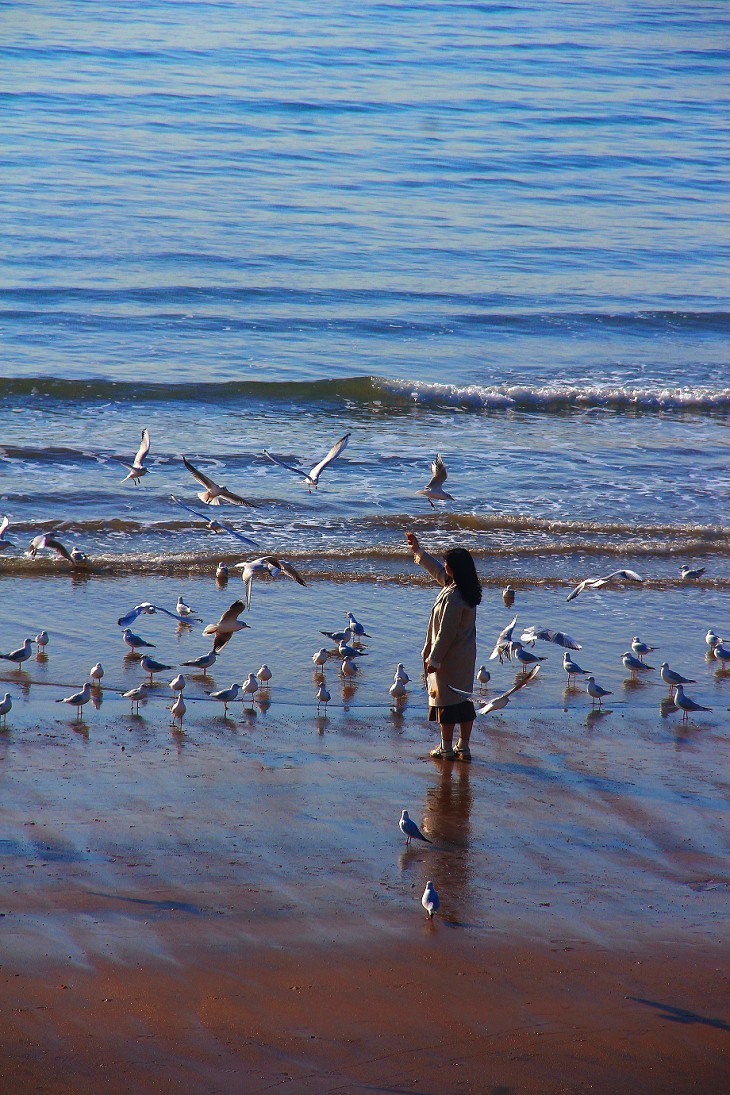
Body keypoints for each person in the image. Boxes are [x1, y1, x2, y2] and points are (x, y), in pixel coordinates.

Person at [405, 531, 481, 761]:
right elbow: (436, 569)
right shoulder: (460, 588)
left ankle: (446, 748)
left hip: (449, 657)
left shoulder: (454, 597)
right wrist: (417, 551)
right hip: (464, 657)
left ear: (455, 568)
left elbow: (446, 633)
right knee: (464, 702)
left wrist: (434, 660)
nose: (444, 564)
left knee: (446, 704)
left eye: (447, 561)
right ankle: (463, 747)